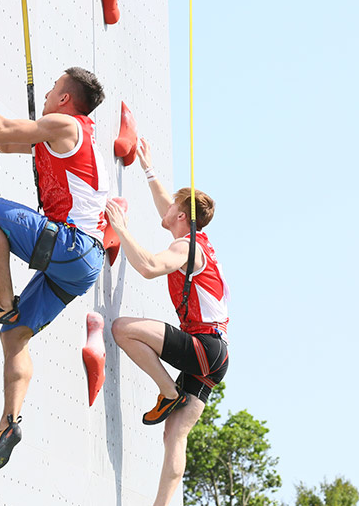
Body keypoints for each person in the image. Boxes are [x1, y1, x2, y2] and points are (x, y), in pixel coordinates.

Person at [0, 65, 108, 473]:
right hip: (79, 267)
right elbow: (4, 144)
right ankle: (9, 423)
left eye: (53, 87)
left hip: (72, 245)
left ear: (64, 99)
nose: (47, 94)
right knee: (15, 335)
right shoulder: (71, 137)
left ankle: (2, 299)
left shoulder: (63, 124)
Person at [104, 138, 230, 506]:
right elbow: (166, 206)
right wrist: (148, 167)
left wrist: (121, 228)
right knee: (174, 434)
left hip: (204, 345)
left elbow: (148, 267)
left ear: (181, 216)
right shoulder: (194, 238)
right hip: (215, 355)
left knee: (122, 329)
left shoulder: (185, 248)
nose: (168, 207)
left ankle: (168, 391)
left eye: (174, 205)